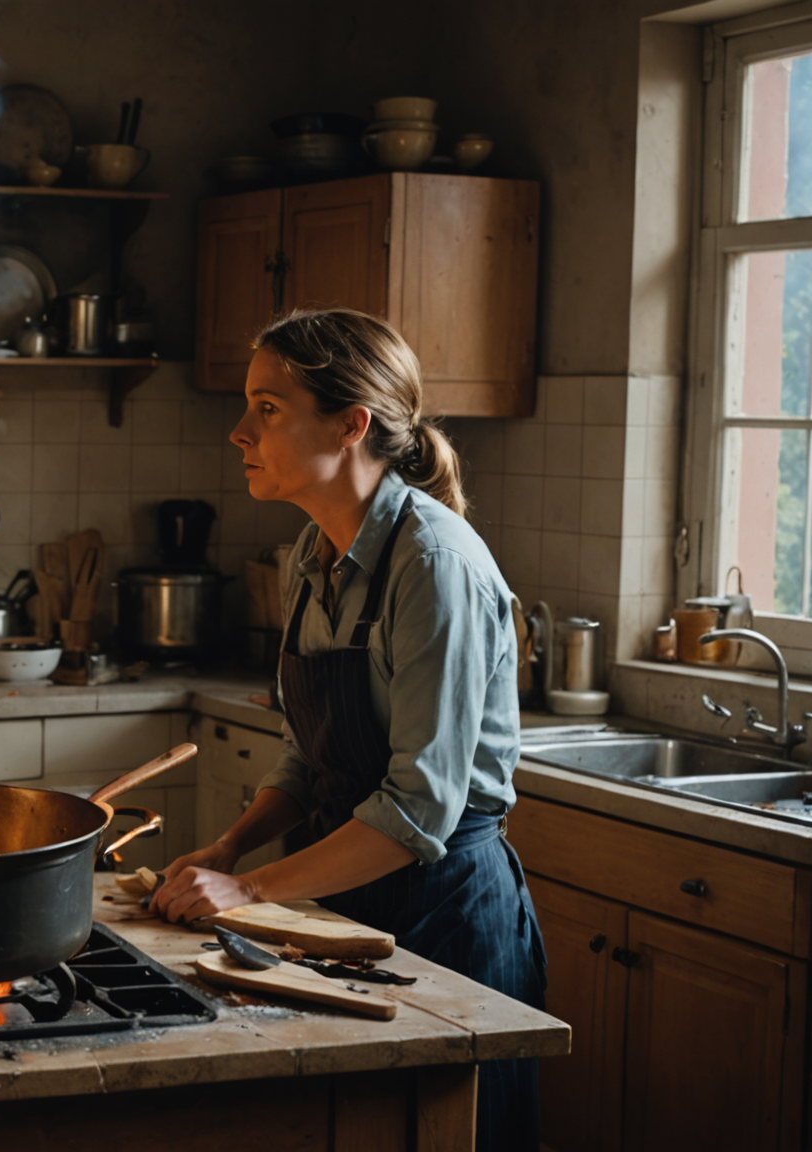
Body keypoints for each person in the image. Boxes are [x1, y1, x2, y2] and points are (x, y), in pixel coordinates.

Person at [149, 309, 545, 1152]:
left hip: (445, 913)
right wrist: (229, 850)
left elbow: (415, 811)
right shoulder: (314, 550)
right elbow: (311, 751)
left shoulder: (433, 563)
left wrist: (252, 892)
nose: (238, 431)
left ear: (351, 423)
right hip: (344, 899)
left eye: (267, 408)